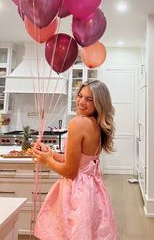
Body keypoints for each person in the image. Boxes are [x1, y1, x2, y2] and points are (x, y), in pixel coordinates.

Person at [32, 80, 120, 240]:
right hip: (92, 190)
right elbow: (80, 162)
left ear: (99, 103)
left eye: (89, 99)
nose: (81, 102)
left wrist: (47, 161)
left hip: (77, 193)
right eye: (80, 96)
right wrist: (51, 153)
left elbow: (71, 172)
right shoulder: (96, 124)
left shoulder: (78, 123)